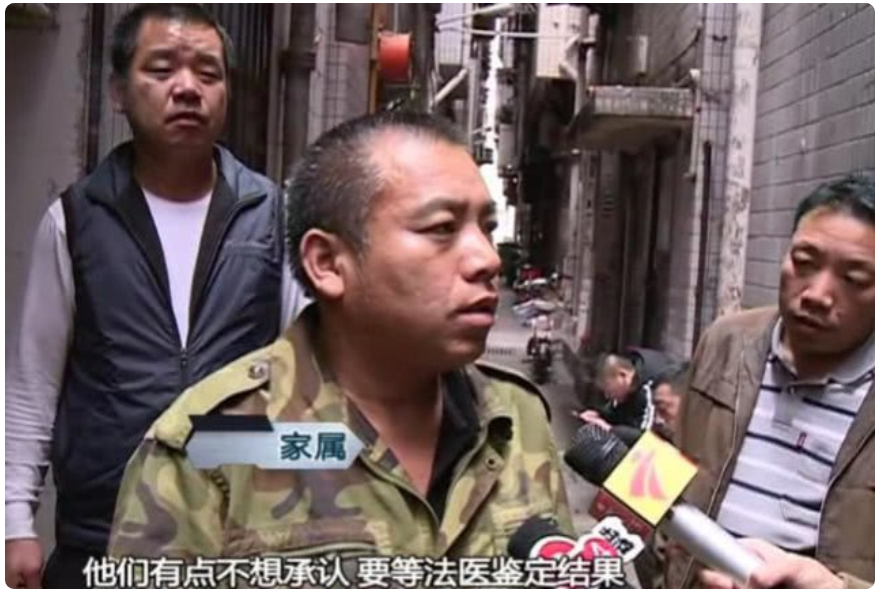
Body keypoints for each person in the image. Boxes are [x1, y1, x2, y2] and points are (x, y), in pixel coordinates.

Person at [107, 112, 573, 575]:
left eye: (486, 228)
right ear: (328, 263)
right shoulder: (216, 442)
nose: (487, 259)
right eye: (442, 228)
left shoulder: (515, 419)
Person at [5, 5, 305, 588]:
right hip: (103, 539)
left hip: (236, 544)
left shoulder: (276, 220)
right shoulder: (76, 221)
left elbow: (316, 384)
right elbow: (32, 382)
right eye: (162, 69)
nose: (187, 88)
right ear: (119, 92)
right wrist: (14, 518)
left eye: (208, 73)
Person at [667, 175, 874, 588]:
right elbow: (675, 466)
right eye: (804, 262)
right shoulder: (727, 340)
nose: (816, 294)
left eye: (853, 279)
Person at [578, 348, 682, 445]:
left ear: (622, 375)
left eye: (608, 390)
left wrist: (609, 428)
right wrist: (600, 415)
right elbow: (621, 414)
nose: (607, 396)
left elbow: (646, 437)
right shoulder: (631, 378)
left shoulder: (648, 387)